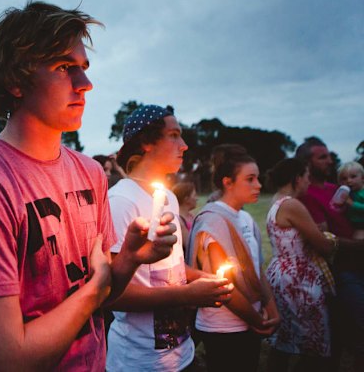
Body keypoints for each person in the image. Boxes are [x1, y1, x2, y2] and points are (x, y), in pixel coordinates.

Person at [0, 0, 177, 372]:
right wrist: (94, 291)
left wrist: (131, 257)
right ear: (14, 81)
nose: (86, 84)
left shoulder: (90, 173)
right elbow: (8, 360)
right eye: (65, 67)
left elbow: (103, 293)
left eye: (84, 67)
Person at [105, 105, 232, 371]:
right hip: (140, 362)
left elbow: (168, 269)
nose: (184, 145)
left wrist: (204, 279)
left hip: (182, 353)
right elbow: (114, 295)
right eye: (173, 135)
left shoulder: (169, 198)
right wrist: (188, 295)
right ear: (146, 142)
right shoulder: (121, 201)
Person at [186, 144, 280, 372]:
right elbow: (224, 285)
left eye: (258, 178)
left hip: (252, 319)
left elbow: (257, 269)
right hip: (224, 327)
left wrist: (272, 311)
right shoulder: (213, 220)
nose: (258, 185)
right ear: (228, 182)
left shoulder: (245, 218)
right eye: (250, 179)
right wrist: (257, 321)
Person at [295, 137, 364, 371]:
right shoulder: (308, 195)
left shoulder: (337, 189)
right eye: (322, 157)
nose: (330, 160)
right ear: (307, 163)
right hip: (342, 271)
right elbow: (326, 241)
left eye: (328, 155)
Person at [265, 158, 338, 371]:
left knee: (284, 342)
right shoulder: (292, 204)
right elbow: (322, 245)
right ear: (297, 178)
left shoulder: (276, 201)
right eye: (306, 177)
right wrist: (332, 239)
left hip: (281, 273)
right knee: (314, 345)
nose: (308, 182)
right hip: (299, 280)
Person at [338, 161, 364, 240]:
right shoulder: (348, 193)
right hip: (351, 224)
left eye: (353, 177)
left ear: (363, 178)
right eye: (344, 179)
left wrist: (352, 203)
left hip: (361, 225)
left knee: (357, 240)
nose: (349, 181)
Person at [172, 181, 198, 252]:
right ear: (186, 199)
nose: (197, 198)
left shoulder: (191, 216)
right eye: (194, 195)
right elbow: (189, 245)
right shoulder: (179, 221)